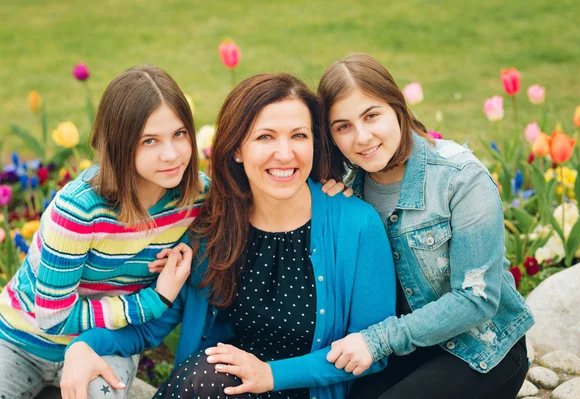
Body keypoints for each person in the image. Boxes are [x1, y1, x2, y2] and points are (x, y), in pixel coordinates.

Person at [60, 73, 397, 399]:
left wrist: (270, 376)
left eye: (298, 136)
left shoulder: (355, 226)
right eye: (265, 137)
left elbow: (373, 349)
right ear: (237, 149)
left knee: (212, 377)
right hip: (218, 389)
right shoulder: (215, 226)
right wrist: (84, 346)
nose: (285, 153)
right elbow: (152, 328)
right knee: (212, 374)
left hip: (299, 389)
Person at [317, 53, 534, 399]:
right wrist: (330, 207)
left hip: (483, 348)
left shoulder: (461, 179)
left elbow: (477, 300)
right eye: (343, 126)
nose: (361, 137)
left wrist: (376, 341)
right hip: (410, 349)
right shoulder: (347, 187)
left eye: (371, 115)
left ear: (398, 109)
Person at [0, 65, 205, 399]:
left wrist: (323, 183)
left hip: (105, 346)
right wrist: (154, 300)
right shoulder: (80, 209)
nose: (171, 155)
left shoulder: (197, 197)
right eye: (150, 140)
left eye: (179, 134)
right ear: (120, 145)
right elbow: (54, 318)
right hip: (20, 341)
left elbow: (259, 192)